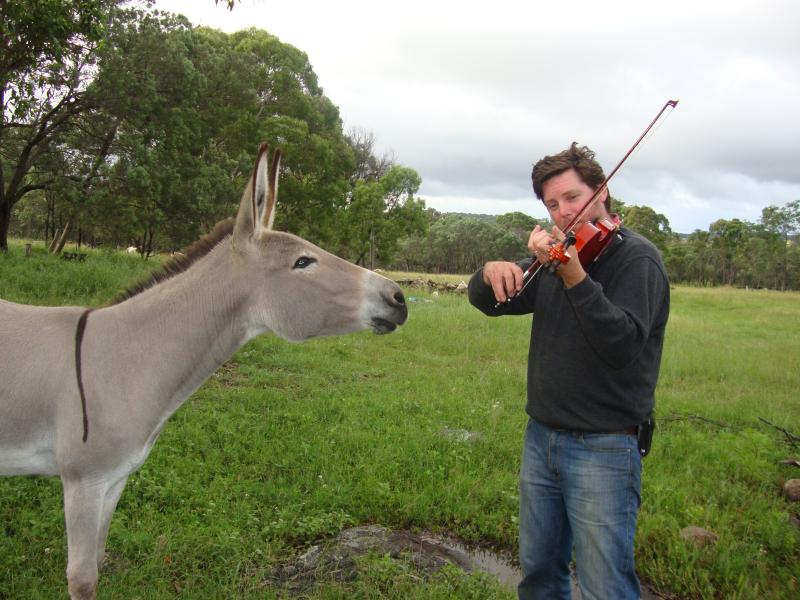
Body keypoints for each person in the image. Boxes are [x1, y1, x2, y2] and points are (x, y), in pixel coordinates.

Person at [468, 142, 669, 599]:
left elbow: (621, 344)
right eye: (552, 204)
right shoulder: (558, 257)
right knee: (539, 573)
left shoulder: (637, 260)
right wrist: (488, 273)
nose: (563, 213)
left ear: (601, 191)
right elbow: (494, 301)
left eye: (572, 197)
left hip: (605, 445)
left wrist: (575, 275)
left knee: (605, 583)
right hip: (543, 439)